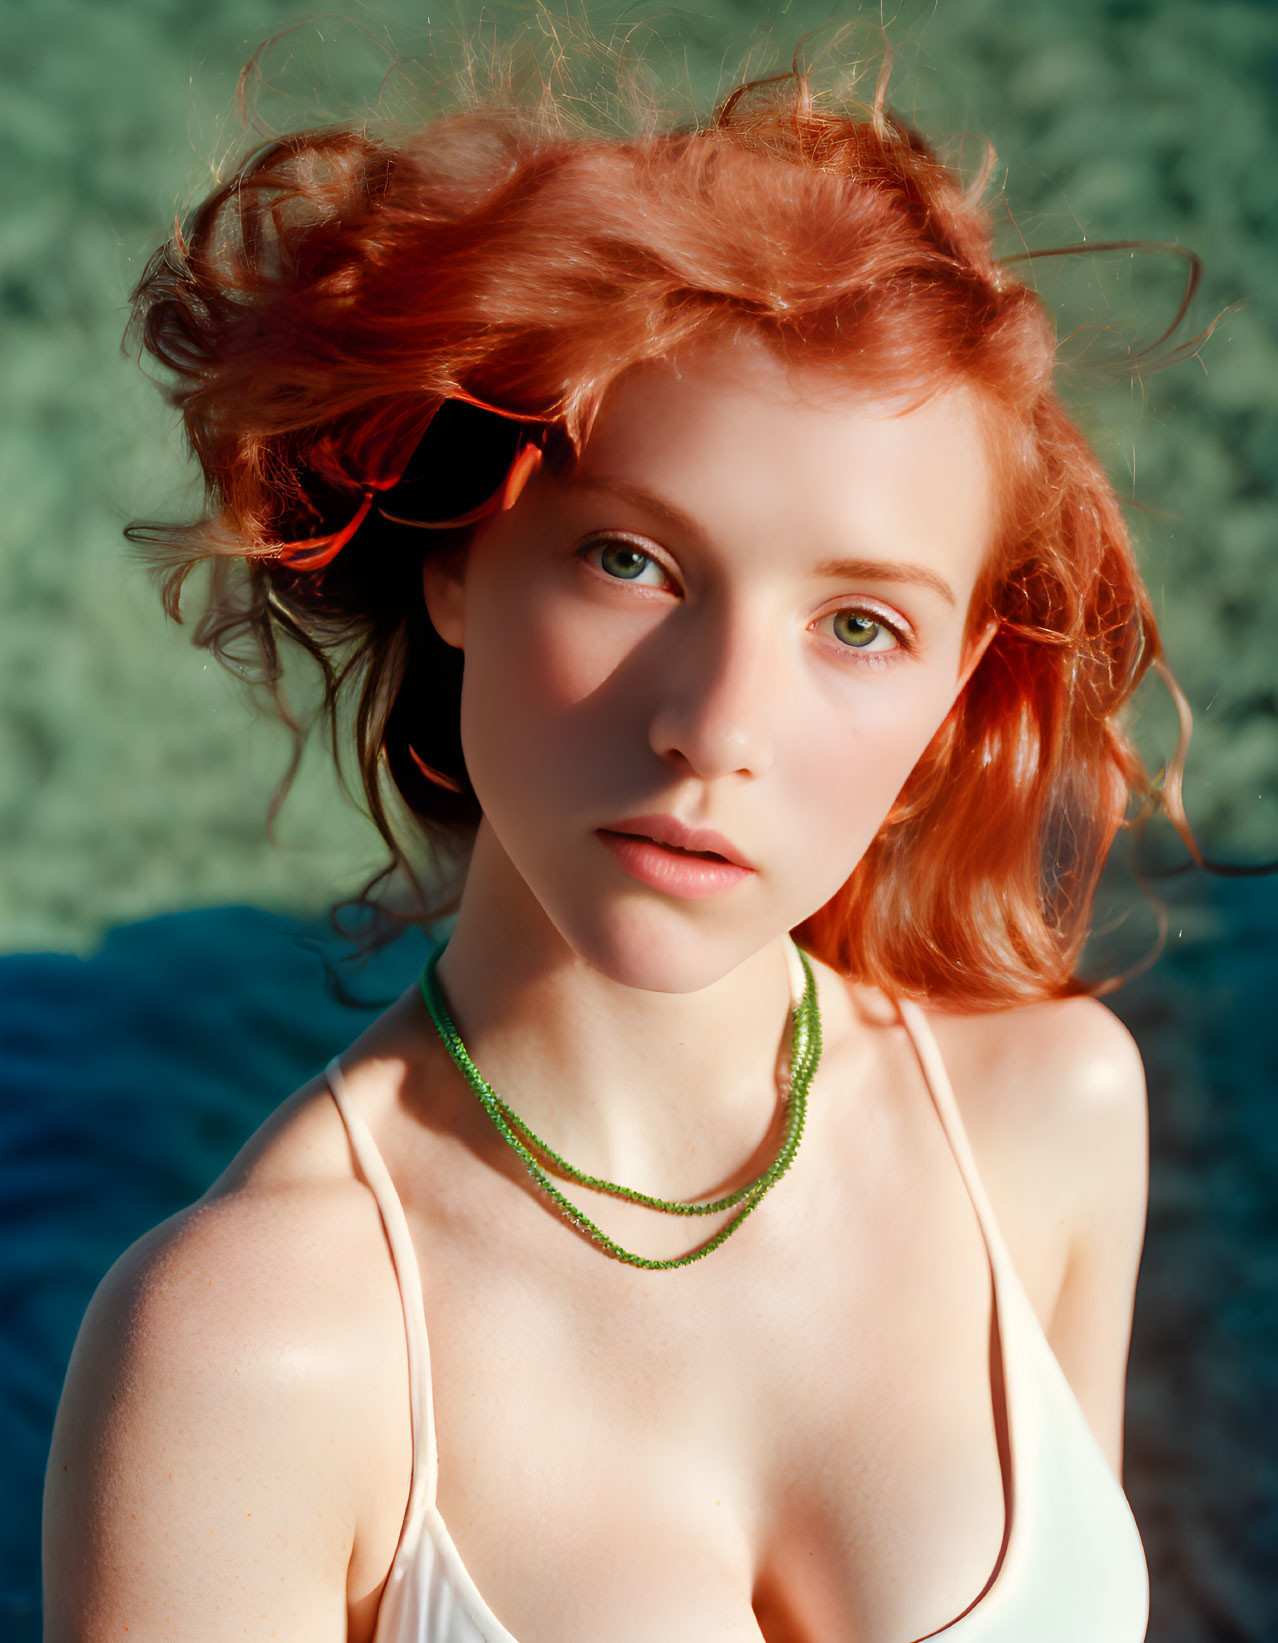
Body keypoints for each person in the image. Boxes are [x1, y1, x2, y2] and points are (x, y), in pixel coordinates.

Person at [43, 25, 1174, 1642]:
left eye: (858, 626)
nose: (713, 730)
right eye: (630, 562)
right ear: (454, 562)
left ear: (949, 697)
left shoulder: (1047, 1118)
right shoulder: (255, 1342)